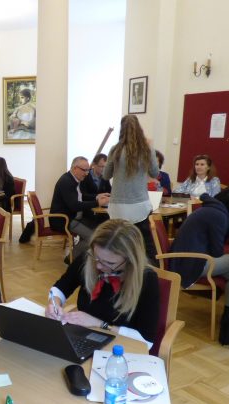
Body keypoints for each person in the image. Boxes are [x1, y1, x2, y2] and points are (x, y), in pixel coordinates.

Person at [46, 219, 160, 347]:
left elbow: (146, 341)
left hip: (122, 347)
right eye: (97, 258)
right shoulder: (88, 259)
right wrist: (54, 304)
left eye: (110, 263)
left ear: (130, 260)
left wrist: (99, 324)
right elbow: (61, 287)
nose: (98, 266)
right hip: (84, 338)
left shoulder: (147, 280)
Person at [169, 185, 229, 316]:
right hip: (191, 264)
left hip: (189, 259)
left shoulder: (218, 210)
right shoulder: (218, 215)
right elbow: (217, 252)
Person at [102, 115, 160, 260]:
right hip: (139, 204)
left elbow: (106, 175)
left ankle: (119, 266)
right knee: (145, 241)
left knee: (118, 240)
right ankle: (153, 269)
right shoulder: (147, 149)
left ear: (121, 130)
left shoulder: (115, 150)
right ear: (139, 129)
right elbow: (155, 172)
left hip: (118, 205)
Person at [50, 157, 110, 261]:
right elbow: (74, 205)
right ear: (74, 169)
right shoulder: (66, 182)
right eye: (84, 170)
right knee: (92, 237)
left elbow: (81, 197)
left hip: (73, 217)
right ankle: (71, 259)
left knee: (97, 228)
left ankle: (83, 258)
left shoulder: (72, 179)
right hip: (64, 220)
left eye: (87, 170)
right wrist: (97, 202)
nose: (86, 173)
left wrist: (97, 196)